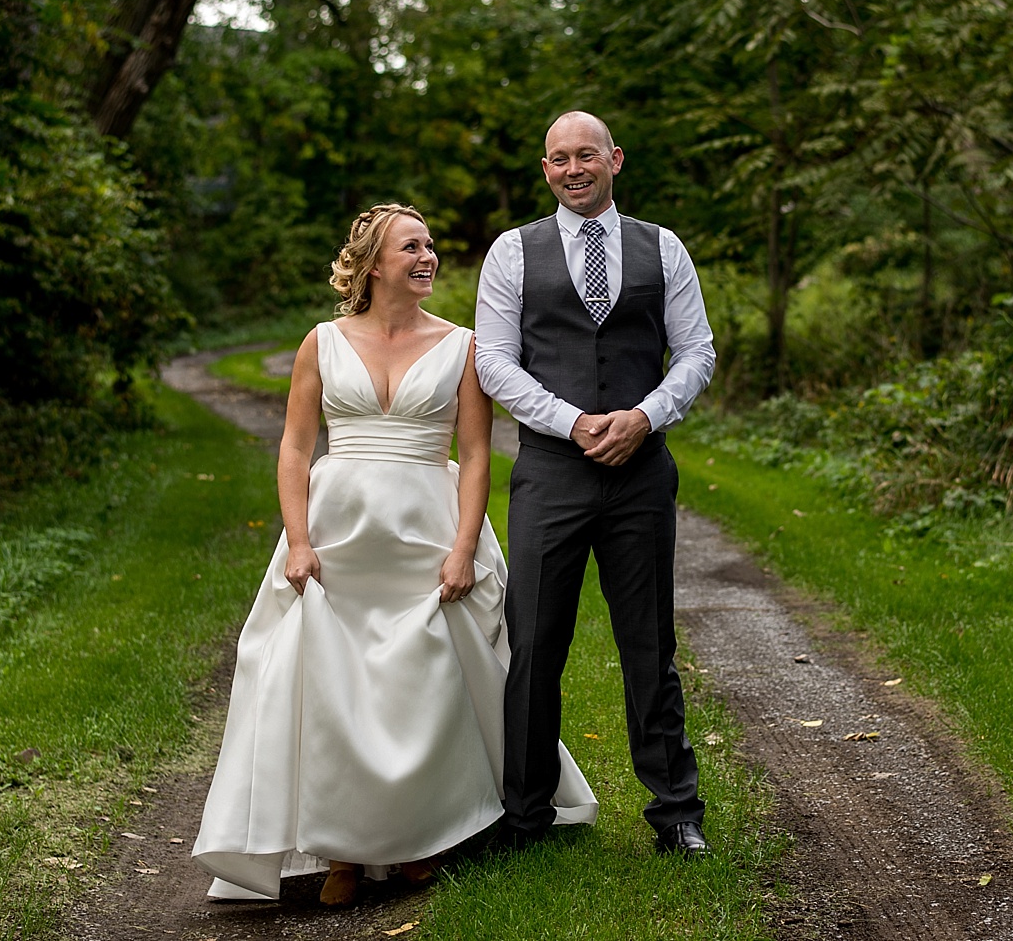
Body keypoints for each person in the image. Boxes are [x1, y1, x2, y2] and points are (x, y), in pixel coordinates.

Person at [192, 204, 596, 907]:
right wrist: (297, 539)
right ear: (374, 264)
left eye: (431, 245)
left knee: (423, 685)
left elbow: (474, 455)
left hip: (426, 530)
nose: (428, 256)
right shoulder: (321, 341)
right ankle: (343, 852)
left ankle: (420, 842)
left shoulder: (464, 345)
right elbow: (294, 446)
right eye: (413, 246)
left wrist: (463, 548)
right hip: (339, 533)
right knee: (333, 689)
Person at [475, 112, 717, 856]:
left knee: (648, 642)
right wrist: (573, 422)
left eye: (585, 155)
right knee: (534, 643)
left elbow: (696, 351)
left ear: (614, 158)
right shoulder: (512, 252)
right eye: (557, 159)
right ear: (544, 169)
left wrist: (643, 417)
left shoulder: (661, 247)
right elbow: (493, 361)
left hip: (642, 473)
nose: (572, 169)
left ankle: (676, 812)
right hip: (550, 472)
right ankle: (524, 816)